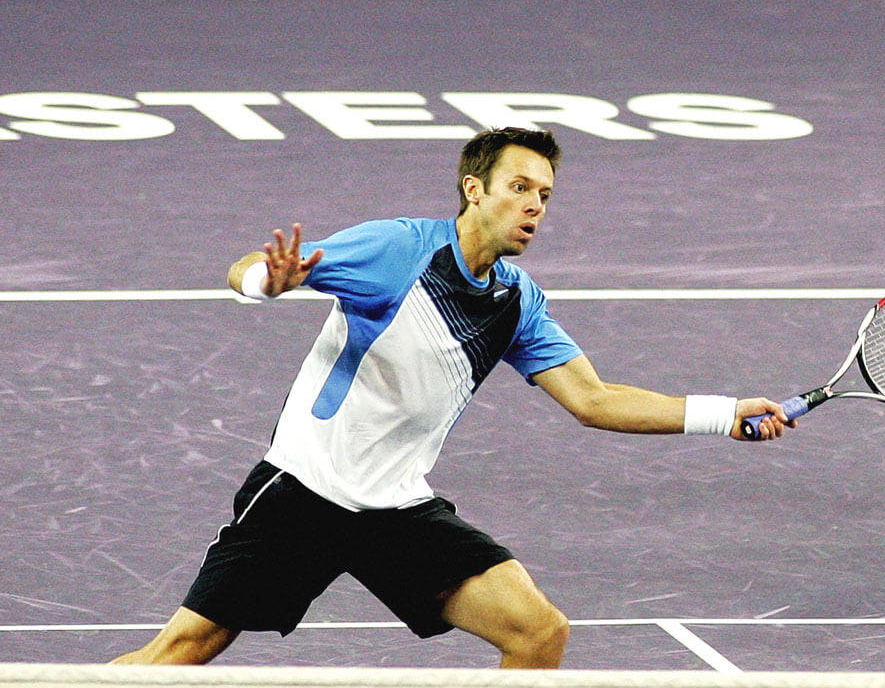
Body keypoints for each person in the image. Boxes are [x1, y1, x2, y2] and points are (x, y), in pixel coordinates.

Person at [110, 126, 794, 666]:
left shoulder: (516, 302)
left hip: (398, 510)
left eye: (545, 195)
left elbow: (594, 399)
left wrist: (721, 414)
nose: (533, 206)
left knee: (538, 634)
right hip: (305, 492)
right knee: (183, 650)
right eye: (519, 187)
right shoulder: (397, 251)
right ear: (474, 189)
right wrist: (269, 281)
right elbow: (243, 269)